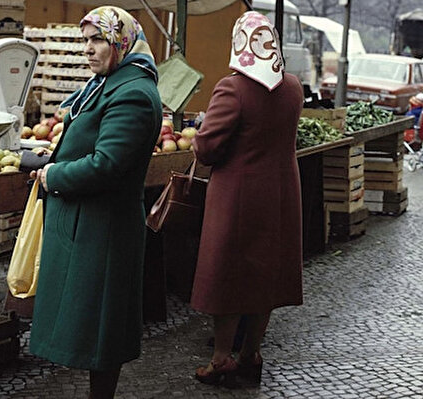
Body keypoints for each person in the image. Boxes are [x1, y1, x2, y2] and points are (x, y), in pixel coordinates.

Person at [28, 6, 162, 398]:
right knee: (90, 326)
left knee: (102, 332)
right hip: (88, 225)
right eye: (84, 40)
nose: (88, 49)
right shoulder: (109, 82)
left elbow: (108, 165)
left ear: (121, 41)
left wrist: (55, 175)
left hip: (104, 230)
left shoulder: (134, 93)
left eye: (98, 39)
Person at [189, 11, 304, 387]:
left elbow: (207, 149)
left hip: (237, 197)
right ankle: (251, 354)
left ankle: (221, 358)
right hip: (282, 193)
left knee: (229, 276)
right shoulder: (293, 87)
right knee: (264, 276)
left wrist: (197, 135)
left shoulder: (232, 88)